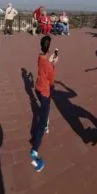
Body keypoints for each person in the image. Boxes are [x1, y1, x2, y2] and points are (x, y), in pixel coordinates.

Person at [30, 35, 57, 172]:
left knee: (44, 110)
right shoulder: (48, 64)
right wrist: (54, 65)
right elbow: (52, 80)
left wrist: (50, 61)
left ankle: (45, 124)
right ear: (49, 48)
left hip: (37, 88)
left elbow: (44, 65)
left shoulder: (40, 57)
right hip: (45, 92)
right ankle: (34, 151)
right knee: (40, 122)